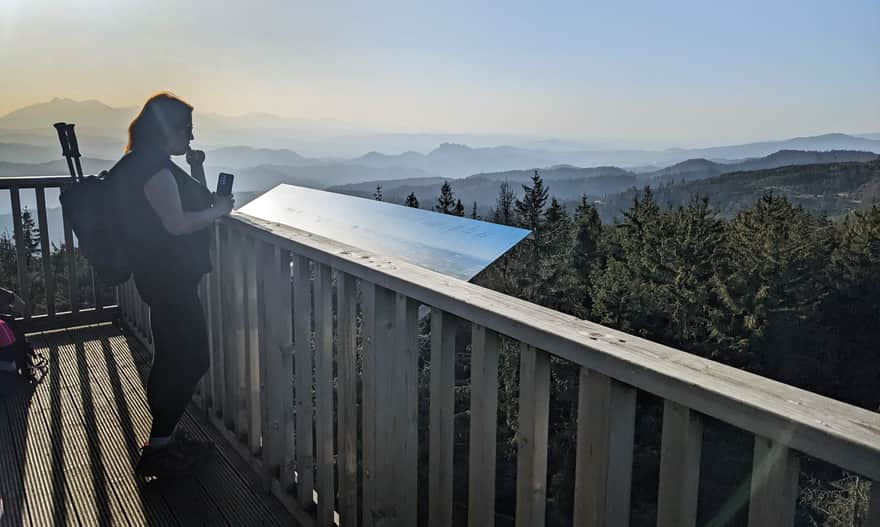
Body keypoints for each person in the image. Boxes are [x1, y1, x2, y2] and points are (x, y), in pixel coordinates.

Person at [116, 92, 234, 477]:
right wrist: (219, 211)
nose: (191, 137)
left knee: (170, 354)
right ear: (168, 128)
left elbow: (190, 204)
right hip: (171, 282)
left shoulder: (141, 163)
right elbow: (178, 224)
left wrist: (197, 169)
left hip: (158, 278)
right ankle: (159, 446)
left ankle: (162, 437)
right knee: (193, 358)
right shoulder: (156, 171)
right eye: (188, 129)